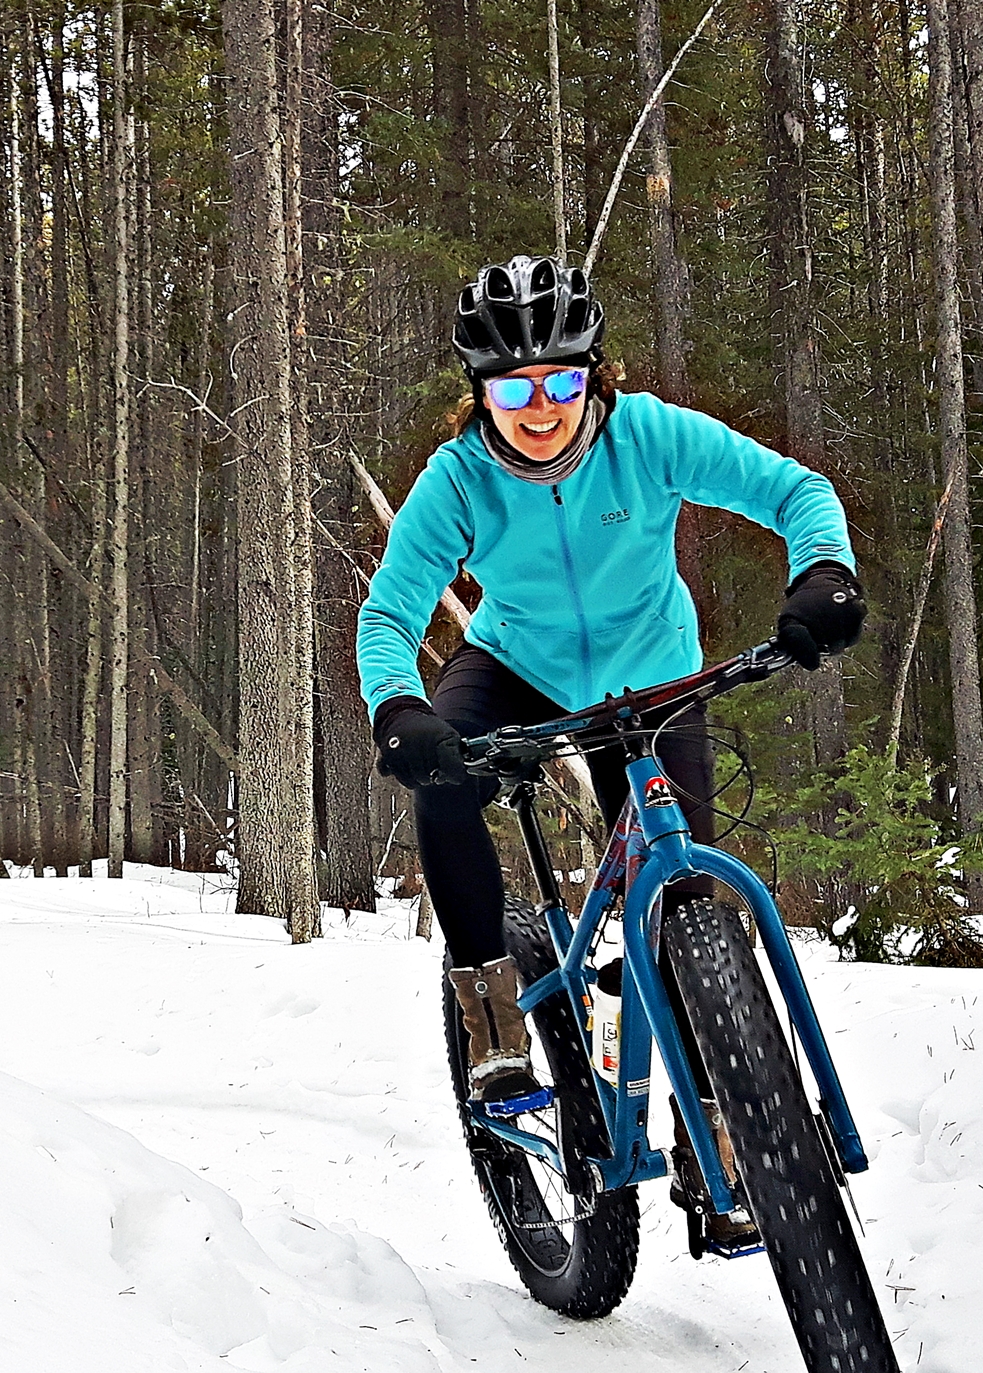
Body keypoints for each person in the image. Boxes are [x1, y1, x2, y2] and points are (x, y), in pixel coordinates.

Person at [356, 254, 865, 1106]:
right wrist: (398, 707)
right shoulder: (457, 481)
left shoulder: (649, 436)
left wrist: (825, 572)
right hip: (517, 663)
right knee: (441, 785)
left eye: (559, 382)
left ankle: (725, 1122)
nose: (540, 409)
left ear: (594, 372)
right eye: (513, 391)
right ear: (480, 394)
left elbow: (795, 490)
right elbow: (388, 616)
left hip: (650, 673)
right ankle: (489, 1014)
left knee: (684, 893)